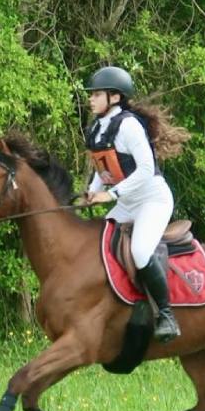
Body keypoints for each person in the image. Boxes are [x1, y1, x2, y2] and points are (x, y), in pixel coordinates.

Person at [78, 65, 189, 343]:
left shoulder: (128, 125)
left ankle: (166, 315)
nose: (90, 99)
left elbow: (145, 169)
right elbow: (102, 169)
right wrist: (92, 192)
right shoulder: (96, 128)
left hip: (152, 199)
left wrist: (111, 195)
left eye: (96, 94)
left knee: (140, 251)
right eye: (91, 95)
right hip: (128, 202)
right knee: (98, 242)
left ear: (114, 97)